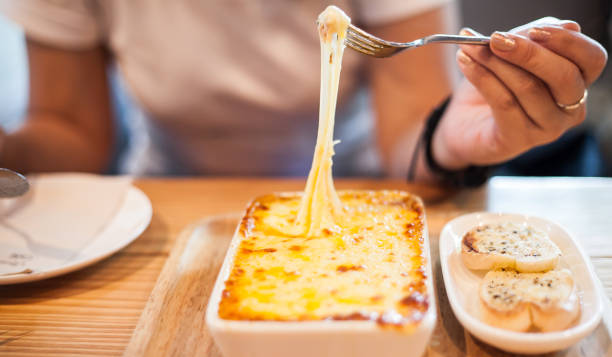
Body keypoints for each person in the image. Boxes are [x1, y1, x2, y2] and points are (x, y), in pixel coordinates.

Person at [0, 1, 607, 186]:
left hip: (365, 190)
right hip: (167, 206)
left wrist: (455, 138)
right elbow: (71, 133)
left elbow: (411, 133)